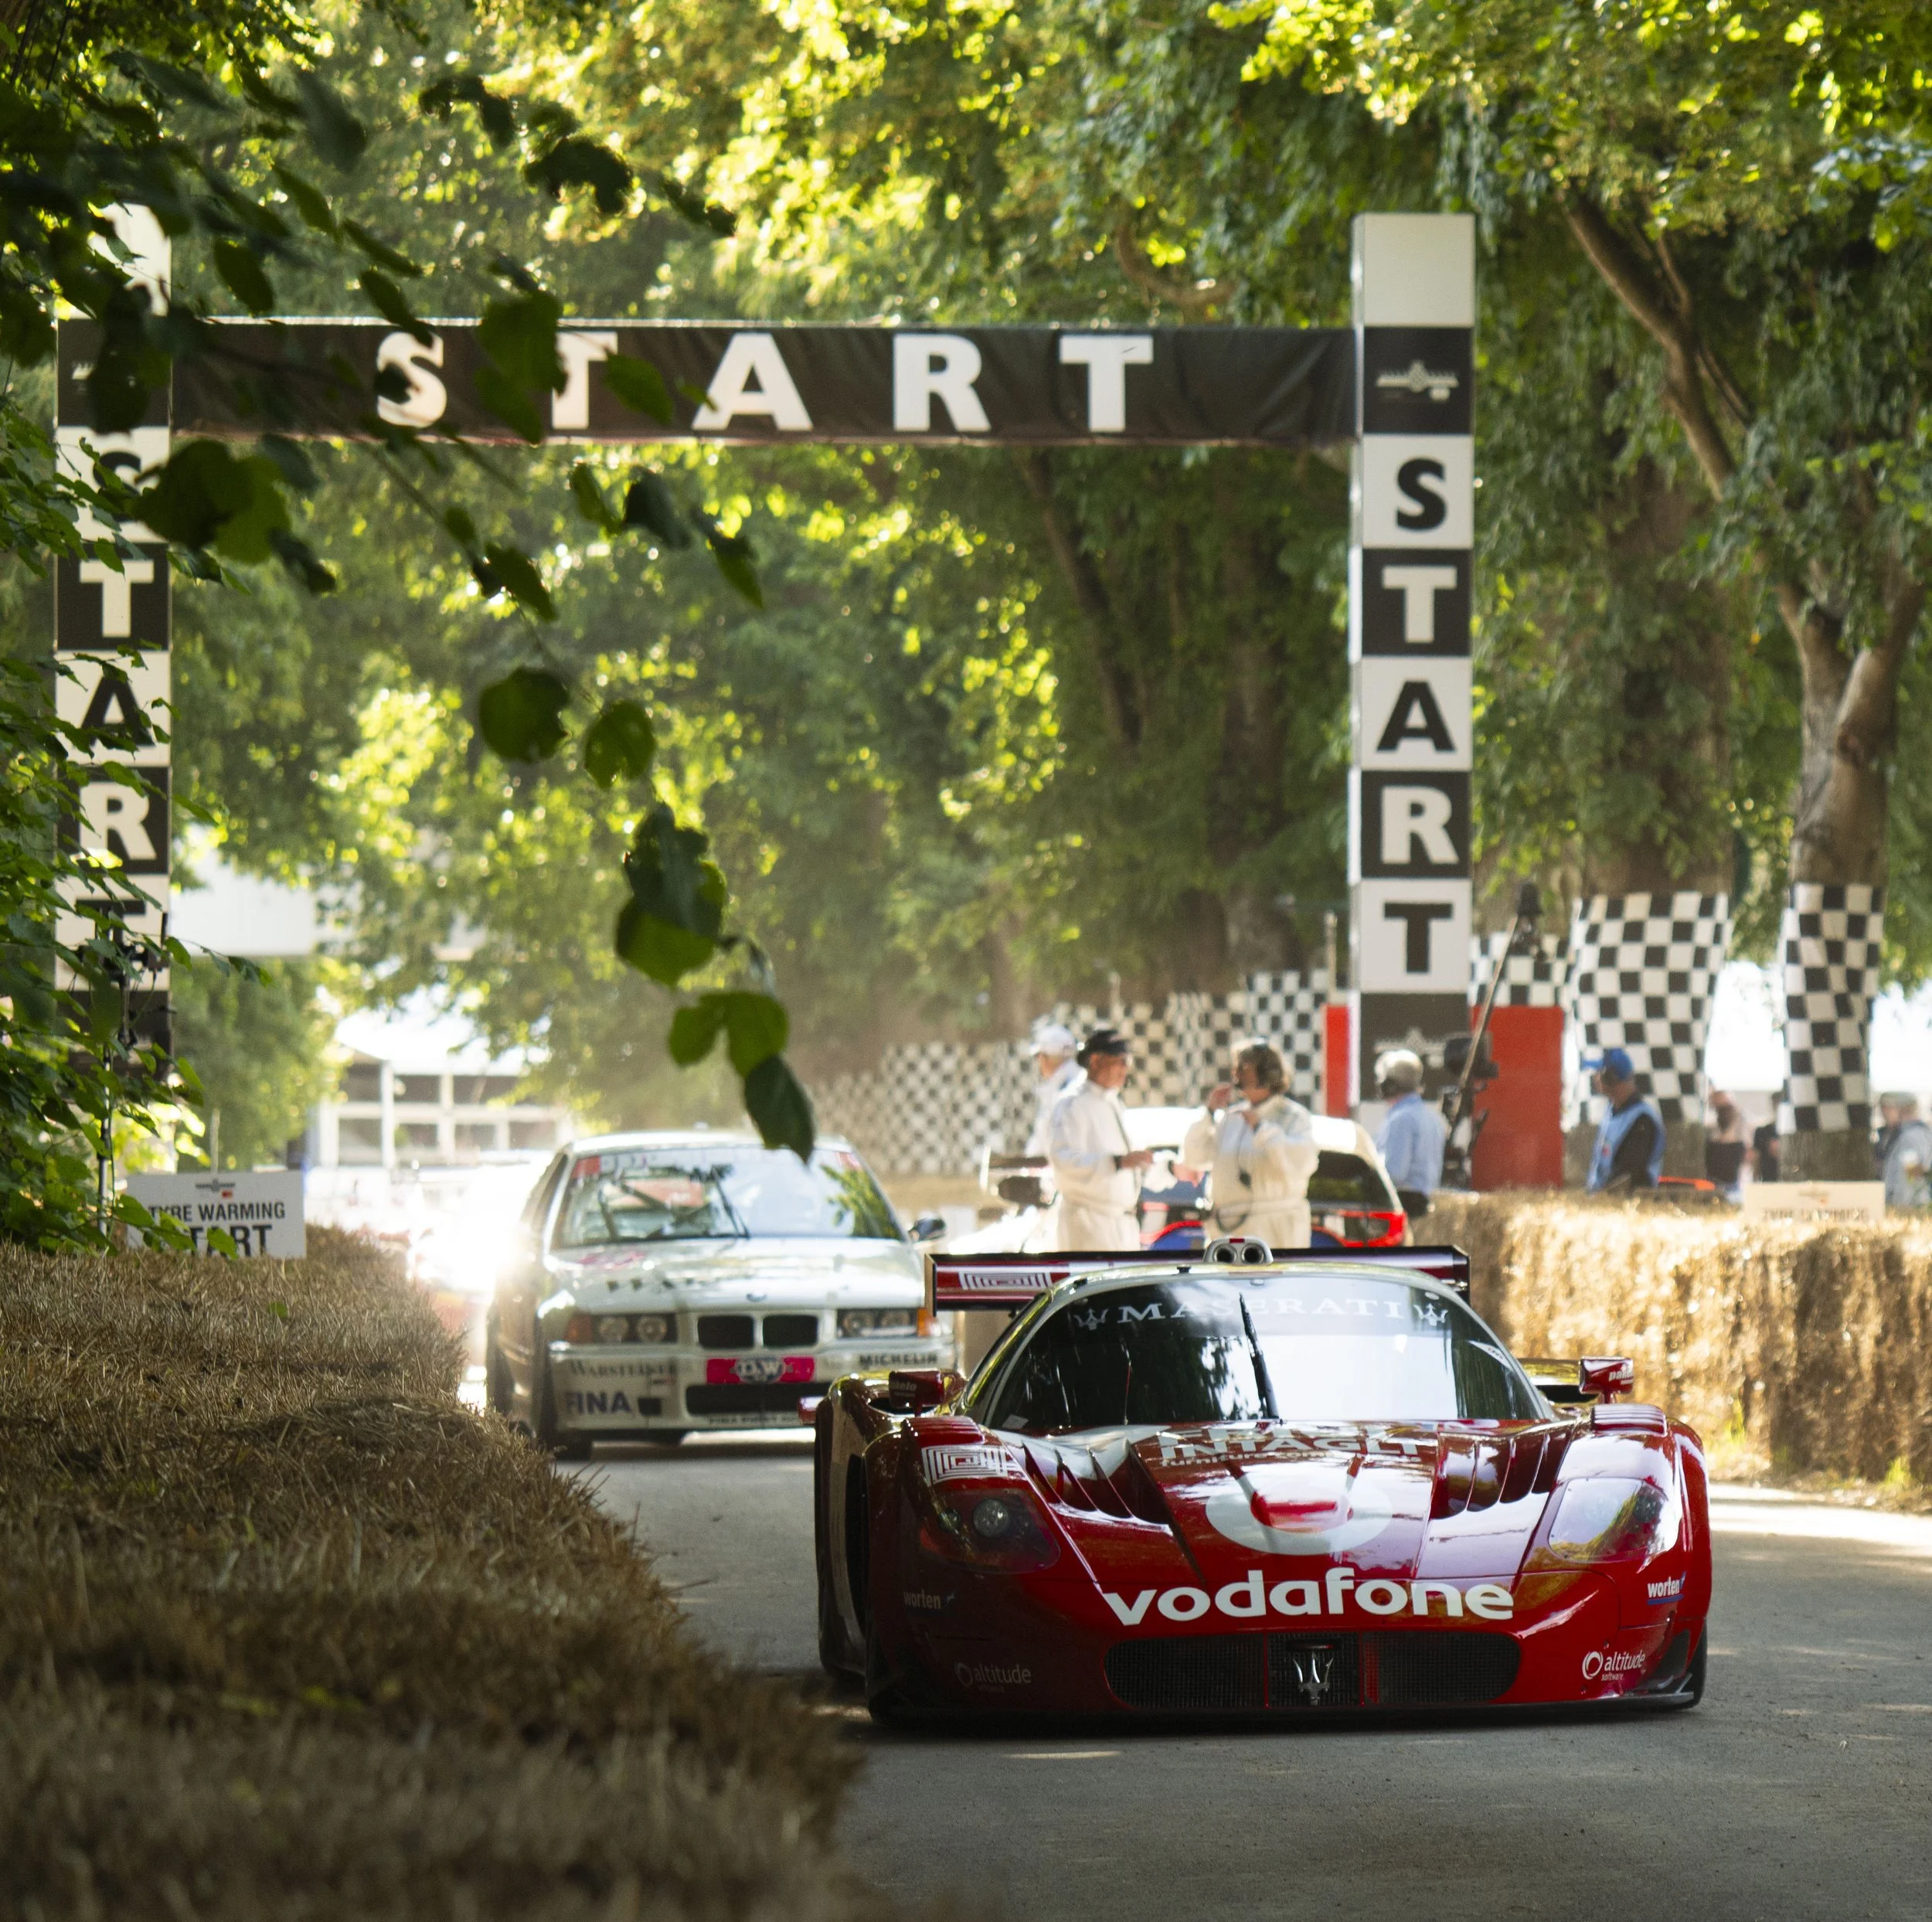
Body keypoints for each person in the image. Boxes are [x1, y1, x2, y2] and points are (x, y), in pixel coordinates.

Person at [1180, 1041, 1320, 1249]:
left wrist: (1261, 1128)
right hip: (1229, 1231)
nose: (1238, 1075)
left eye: (1245, 1068)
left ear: (1267, 1074)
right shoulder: (1232, 1118)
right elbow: (1194, 1158)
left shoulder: (1292, 1117)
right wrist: (1209, 1113)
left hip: (1275, 1234)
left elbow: (1302, 1162)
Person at [1047, 1028, 1151, 1250]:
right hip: (1089, 1225)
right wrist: (1115, 1162)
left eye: (1128, 1061)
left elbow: (1131, 1163)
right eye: (1120, 1061)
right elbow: (1063, 1161)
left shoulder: (1114, 1103)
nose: (1126, 1068)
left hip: (1123, 1227)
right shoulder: (1072, 1104)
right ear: (1095, 1060)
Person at [1372, 1047, 1445, 1218]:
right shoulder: (1432, 1117)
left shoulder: (1401, 1119)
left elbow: (1394, 1172)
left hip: (1406, 1205)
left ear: (1389, 1086)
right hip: (1426, 1204)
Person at [1584, 1048, 1665, 1193]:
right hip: (1603, 1200)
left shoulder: (1642, 1120)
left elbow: (1627, 1175)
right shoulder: (1611, 1111)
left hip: (1627, 1204)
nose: (1596, 1078)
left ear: (1611, 1078)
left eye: (1600, 1073)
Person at [1024, 1020, 1080, 1156]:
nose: (1039, 1062)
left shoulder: (1067, 1088)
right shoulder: (1062, 1083)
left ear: (1047, 1057)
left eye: (1040, 1056)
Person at [1879, 1094, 1932, 1209]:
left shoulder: (1909, 1138)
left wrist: (1902, 1207)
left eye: (1887, 1110)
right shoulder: (1924, 1133)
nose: (1884, 1115)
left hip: (1909, 1205)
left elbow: (1912, 1176)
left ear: (1901, 1110)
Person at [1704, 1091, 1748, 1199]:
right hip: (1715, 1178)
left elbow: (1744, 1144)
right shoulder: (1712, 1120)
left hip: (1734, 1179)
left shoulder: (1740, 1119)